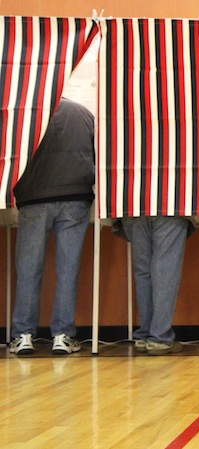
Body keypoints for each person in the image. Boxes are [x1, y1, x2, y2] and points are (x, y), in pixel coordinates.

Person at [9, 98, 95, 355]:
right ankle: (63, 335)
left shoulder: (25, 115)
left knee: (28, 269)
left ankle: (23, 335)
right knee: (68, 269)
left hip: (34, 199)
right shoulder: (83, 112)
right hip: (75, 197)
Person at [114, 216, 194, 355]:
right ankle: (160, 337)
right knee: (165, 270)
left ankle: (145, 335)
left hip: (133, 206)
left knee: (143, 272)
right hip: (169, 205)